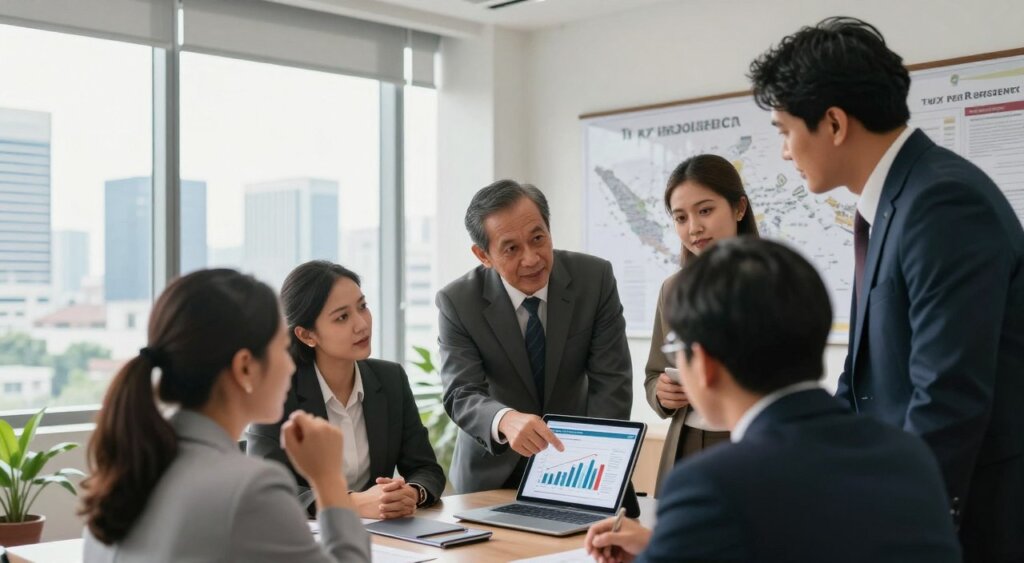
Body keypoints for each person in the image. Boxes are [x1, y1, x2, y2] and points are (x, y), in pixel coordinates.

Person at [749, 16, 1024, 561]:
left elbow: (948, 395)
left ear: (832, 123)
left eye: (784, 130)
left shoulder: (941, 203)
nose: (784, 151)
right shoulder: (896, 203)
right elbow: (862, 383)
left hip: (970, 524)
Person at [584, 238, 962, 563]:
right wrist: (662, 548)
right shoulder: (908, 455)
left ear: (705, 364)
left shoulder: (710, 485)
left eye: (676, 347)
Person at [80, 269, 370, 563]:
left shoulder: (130, 467)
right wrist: (328, 478)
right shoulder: (250, 490)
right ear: (245, 367)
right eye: (283, 350)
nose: (292, 367)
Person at [437, 179, 632, 493]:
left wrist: (595, 462)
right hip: (491, 475)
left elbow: (611, 381)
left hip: (579, 465)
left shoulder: (593, 279)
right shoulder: (458, 302)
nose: (531, 258)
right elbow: (461, 392)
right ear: (483, 255)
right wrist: (504, 419)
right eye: (511, 248)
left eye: (538, 238)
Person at [247, 261, 445, 519]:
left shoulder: (390, 378)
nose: (362, 324)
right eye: (342, 317)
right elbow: (266, 491)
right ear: (307, 335)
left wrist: (412, 493)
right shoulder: (276, 391)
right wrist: (350, 503)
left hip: (381, 536)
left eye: (362, 307)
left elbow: (426, 468)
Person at [644, 154, 759, 496]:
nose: (693, 227)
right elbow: (654, 374)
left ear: (739, 208)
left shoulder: (772, 281)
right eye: (680, 217)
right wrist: (662, 394)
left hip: (748, 443)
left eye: (705, 211)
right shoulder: (673, 289)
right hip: (687, 444)